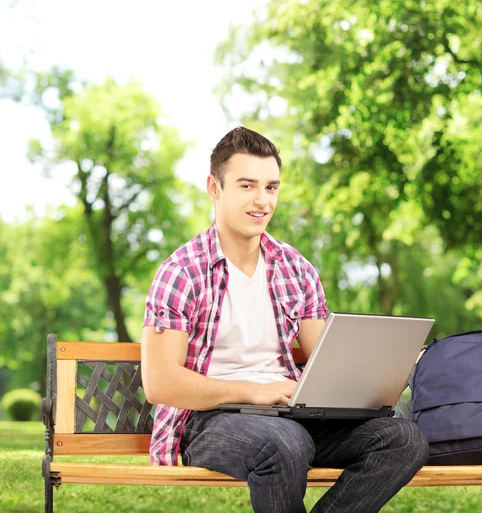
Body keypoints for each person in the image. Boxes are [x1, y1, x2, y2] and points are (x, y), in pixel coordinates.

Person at [141, 127, 429, 513]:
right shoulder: (182, 272)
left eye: (271, 187)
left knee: (403, 438)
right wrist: (253, 391)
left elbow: (323, 357)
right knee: (284, 442)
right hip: (207, 421)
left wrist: (384, 365)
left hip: (290, 416)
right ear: (214, 187)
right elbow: (161, 383)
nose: (262, 200)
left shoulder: (295, 267)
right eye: (247, 186)